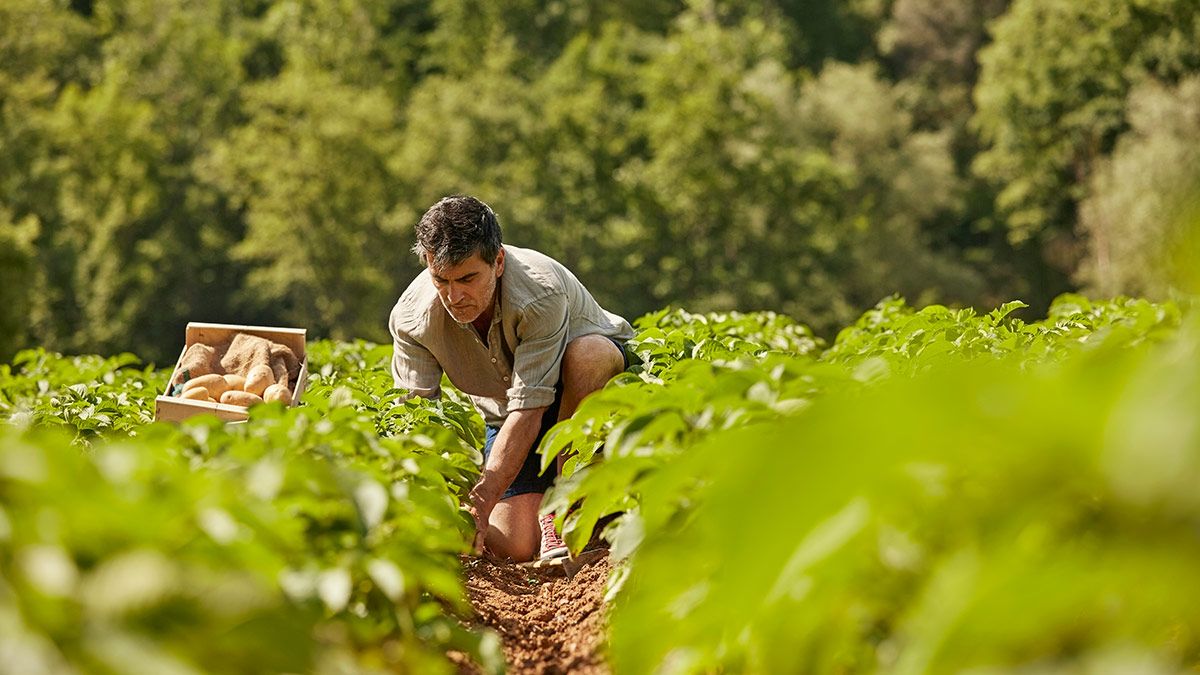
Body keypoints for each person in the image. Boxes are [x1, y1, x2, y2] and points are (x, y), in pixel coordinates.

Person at [389, 195, 634, 562]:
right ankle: (557, 508)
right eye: (441, 280)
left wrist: (483, 498)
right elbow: (416, 417)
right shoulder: (413, 319)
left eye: (468, 278)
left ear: (498, 261)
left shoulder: (539, 292)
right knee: (514, 545)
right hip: (507, 413)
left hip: (583, 396)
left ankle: (567, 503)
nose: (454, 296)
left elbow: (532, 407)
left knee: (589, 355)